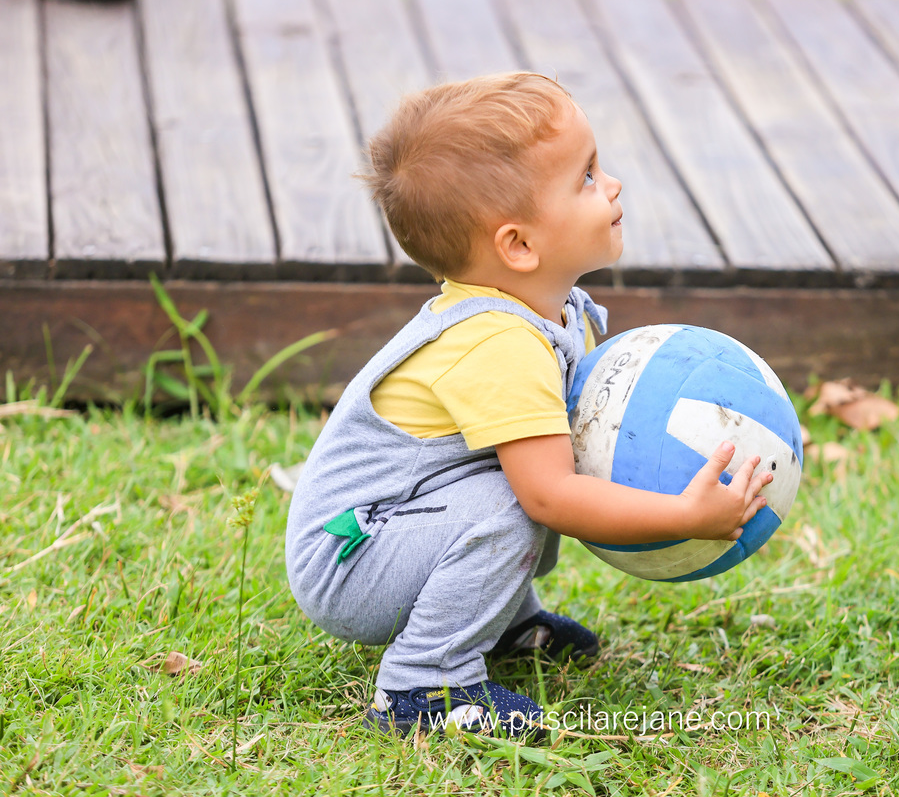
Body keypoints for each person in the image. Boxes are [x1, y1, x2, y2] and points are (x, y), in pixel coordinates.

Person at [285, 72, 772, 739]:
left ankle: (504, 619)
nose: (614, 186)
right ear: (518, 245)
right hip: (352, 561)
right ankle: (421, 686)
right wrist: (683, 515)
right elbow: (549, 499)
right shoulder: (498, 346)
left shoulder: (554, 311)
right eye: (587, 178)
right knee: (521, 495)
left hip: (400, 525)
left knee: (524, 470)